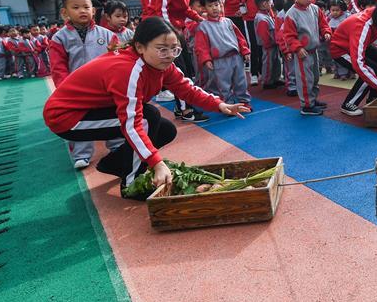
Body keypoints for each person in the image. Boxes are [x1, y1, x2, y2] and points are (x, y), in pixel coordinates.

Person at [43, 17, 248, 196]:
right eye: (162, 49)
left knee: (165, 128)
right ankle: (132, 184)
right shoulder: (128, 70)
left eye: (174, 49)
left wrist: (220, 105)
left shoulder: (161, 64)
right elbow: (131, 124)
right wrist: (157, 163)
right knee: (147, 118)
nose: (169, 55)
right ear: (140, 47)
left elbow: (186, 88)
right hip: (66, 118)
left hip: (91, 110)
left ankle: (116, 163)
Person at [48, 0, 118, 169]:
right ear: (65, 12)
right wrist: (65, 90)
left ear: (93, 10)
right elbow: (58, 68)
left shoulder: (106, 34)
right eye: (76, 7)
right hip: (77, 90)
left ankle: (117, 145)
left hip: (103, 87)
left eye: (86, 7)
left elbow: (117, 60)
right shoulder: (60, 38)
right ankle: (82, 154)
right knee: (80, 118)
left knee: (114, 112)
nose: (82, 11)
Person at [144, 0, 208, 122]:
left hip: (175, 29)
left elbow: (183, 7)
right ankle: (186, 110)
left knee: (186, 69)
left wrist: (199, 18)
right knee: (180, 72)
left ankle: (181, 107)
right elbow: (160, 9)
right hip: (163, 30)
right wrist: (170, 36)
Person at [281, 0, 332, 116]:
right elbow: (289, 35)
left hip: (314, 50)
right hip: (302, 53)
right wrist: (297, 48)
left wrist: (326, 32)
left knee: (315, 77)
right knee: (305, 79)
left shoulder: (315, 9)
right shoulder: (291, 14)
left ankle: (313, 99)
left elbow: (323, 23)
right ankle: (306, 105)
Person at [194, 0, 251, 108]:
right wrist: (206, 60)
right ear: (204, 8)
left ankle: (244, 101)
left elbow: (240, 38)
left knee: (241, 81)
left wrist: (245, 51)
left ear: (221, 5)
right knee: (223, 85)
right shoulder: (203, 26)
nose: (214, 8)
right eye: (210, 6)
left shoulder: (228, 22)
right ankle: (228, 104)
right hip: (219, 60)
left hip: (236, 57)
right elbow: (201, 47)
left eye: (216, 5)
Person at [239, 0, 279, 86]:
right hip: (250, 15)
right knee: (254, 45)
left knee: (269, 44)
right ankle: (254, 73)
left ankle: (267, 73)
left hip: (266, 14)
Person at [254, 0, 282, 89]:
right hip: (269, 45)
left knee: (276, 62)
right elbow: (264, 34)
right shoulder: (261, 18)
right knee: (268, 63)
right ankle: (267, 81)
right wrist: (268, 43)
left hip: (273, 44)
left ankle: (275, 78)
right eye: (269, 2)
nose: (271, 4)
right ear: (264, 4)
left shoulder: (267, 14)